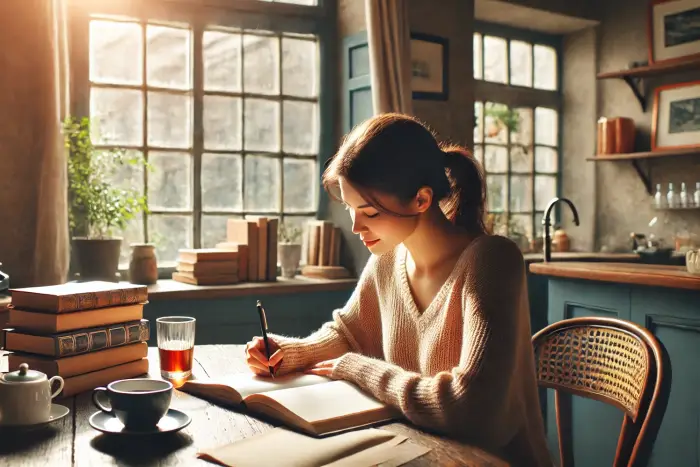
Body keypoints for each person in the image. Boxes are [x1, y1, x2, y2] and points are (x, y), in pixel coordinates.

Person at [245, 113, 551, 466]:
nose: (356, 226)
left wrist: (357, 369)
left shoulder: (492, 261)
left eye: (370, 212)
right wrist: (291, 352)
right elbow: (350, 333)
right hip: (413, 451)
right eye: (350, 209)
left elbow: (469, 408)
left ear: (422, 199)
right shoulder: (388, 259)